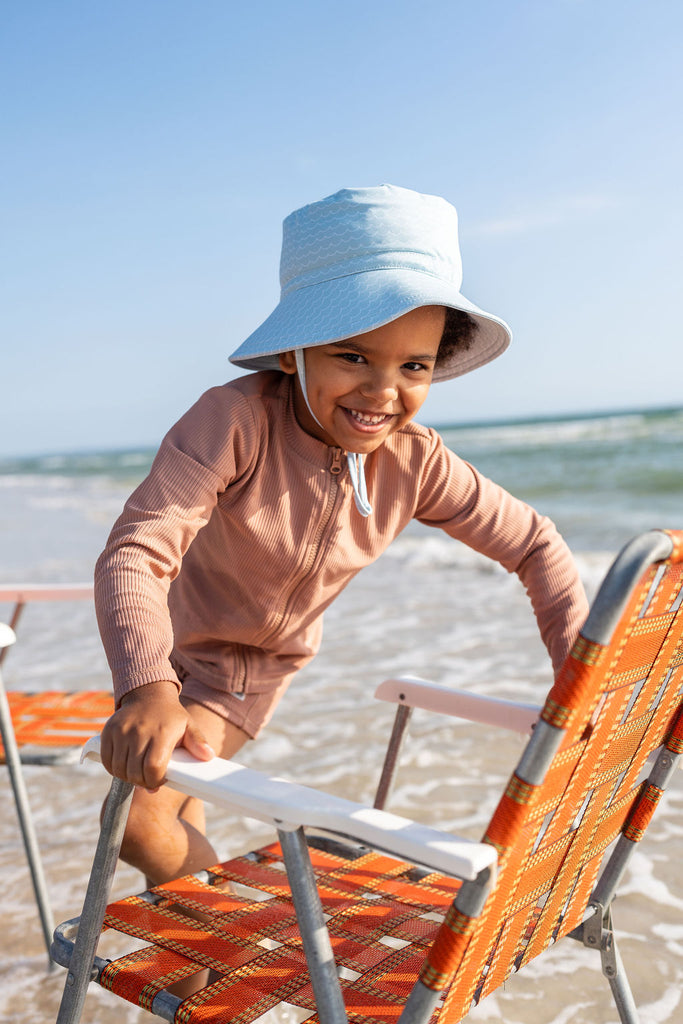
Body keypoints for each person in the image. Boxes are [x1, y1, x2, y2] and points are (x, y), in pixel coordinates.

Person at [95, 184, 589, 886]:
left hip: (239, 677)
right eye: (352, 356)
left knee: (141, 827)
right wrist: (145, 685)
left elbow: (535, 543)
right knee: (170, 828)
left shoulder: (415, 463)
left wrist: (574, 668)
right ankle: (211, 969)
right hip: (159, 651)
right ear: (294, 350)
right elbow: (137, 551)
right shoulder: (232, 422)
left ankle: (254, 940)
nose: (383, 391)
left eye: (413, 366)